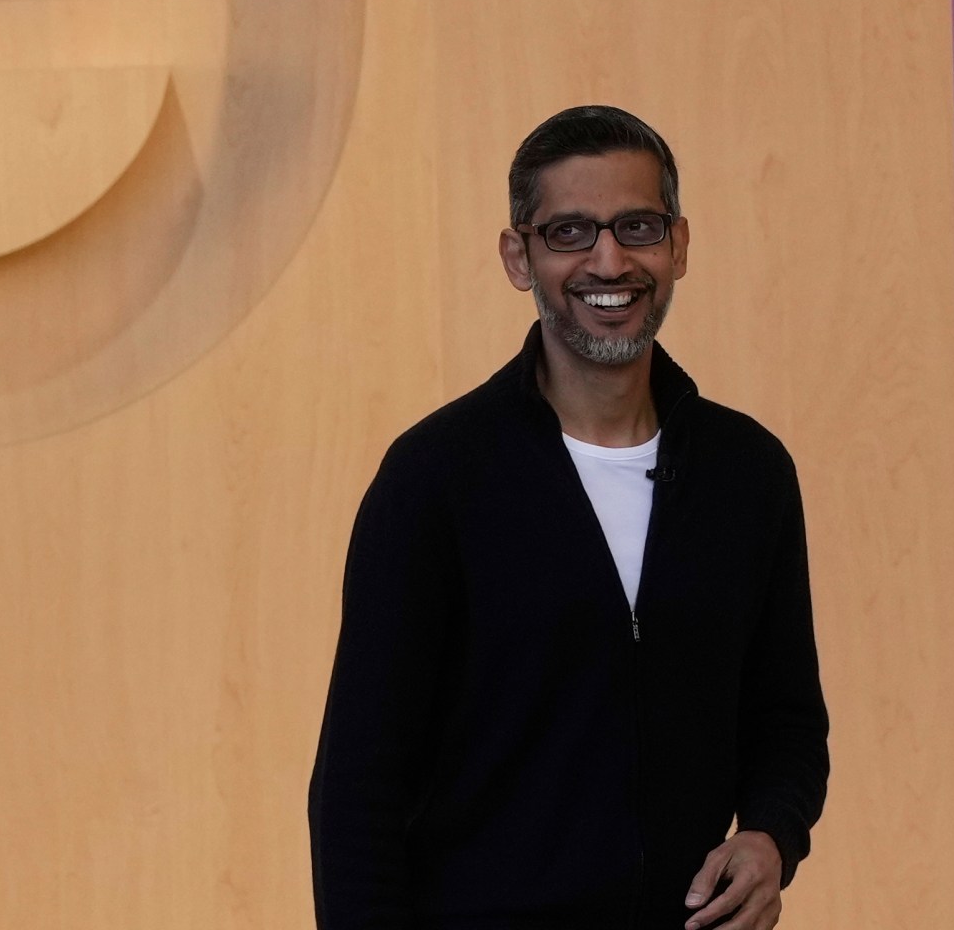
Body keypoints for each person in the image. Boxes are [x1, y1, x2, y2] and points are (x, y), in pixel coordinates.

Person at [308, 105, 829, 930]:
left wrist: (771, 836)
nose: (609, 260)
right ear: (519, 257)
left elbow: (788, 720)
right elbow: (358, 786)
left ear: (680, 245)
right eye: (571, 233)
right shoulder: (435, 479)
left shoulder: (749, 474)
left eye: (637, 226)